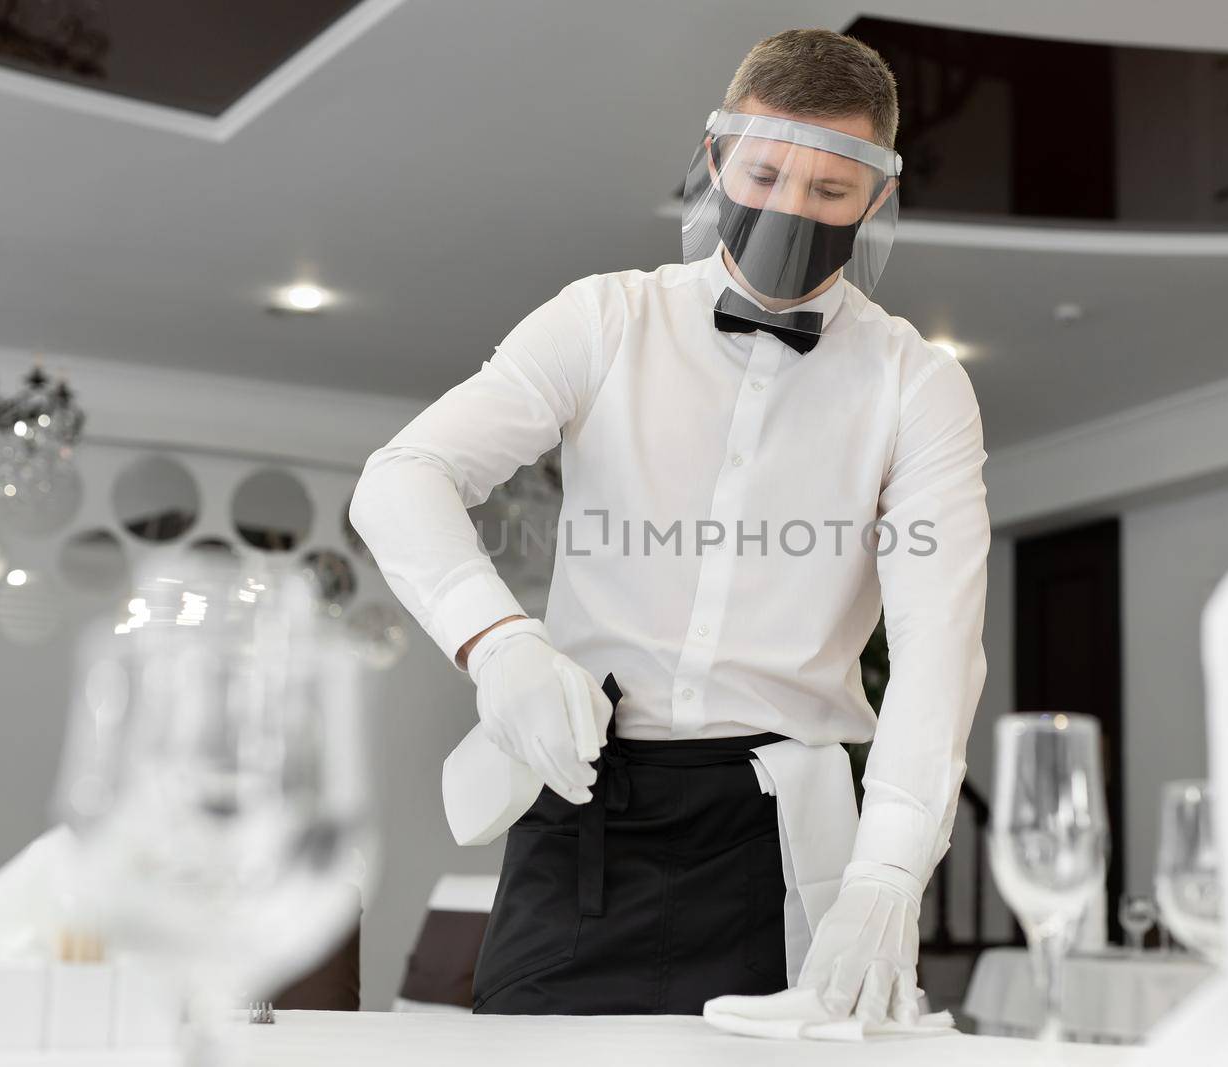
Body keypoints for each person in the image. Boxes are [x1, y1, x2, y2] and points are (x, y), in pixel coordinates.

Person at [349, 27, 989, 1021]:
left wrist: (888, 872)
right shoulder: (605, 319)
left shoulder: (919, 385)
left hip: (773, 836)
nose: (791, 209)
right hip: (579, 809)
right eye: (768, 173)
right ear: (716, 161)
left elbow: (938, 649)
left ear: (874, 198)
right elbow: (403, 475)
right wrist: (498, 641)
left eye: (829, 192)